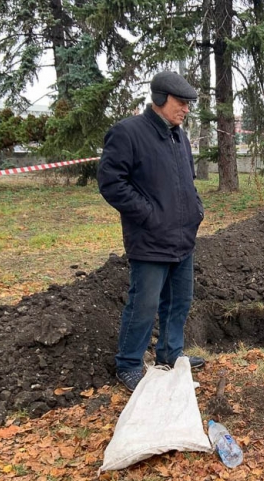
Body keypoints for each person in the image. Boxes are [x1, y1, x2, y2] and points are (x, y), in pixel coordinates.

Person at [97, 71, 206, 393]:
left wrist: (196, 209)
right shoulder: (128, 133)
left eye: (188, 104)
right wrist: (150, 215)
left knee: (179, 301)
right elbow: (111, 183)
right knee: (143, 304)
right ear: (159, 98)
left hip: (182, 237)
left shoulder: (178, 136)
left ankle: (170, 354)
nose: (186, 109)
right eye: (180, 102)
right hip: (149, 239)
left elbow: (187, 181)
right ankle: (129, 364)